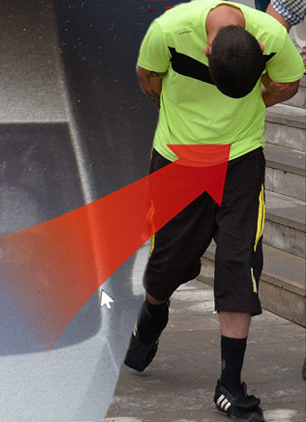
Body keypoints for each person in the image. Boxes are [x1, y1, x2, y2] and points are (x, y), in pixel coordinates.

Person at [124, 1, 304, 421]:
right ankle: (153, 311)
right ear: (206, 51)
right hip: (178, 158)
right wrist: (175, 117)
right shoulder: (168, 30)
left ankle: (230, 384)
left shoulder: (272, 37)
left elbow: (288, 84)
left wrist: (254, 103)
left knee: (239, 263)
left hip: (240, 160)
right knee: (167, 266)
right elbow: (148, 77)